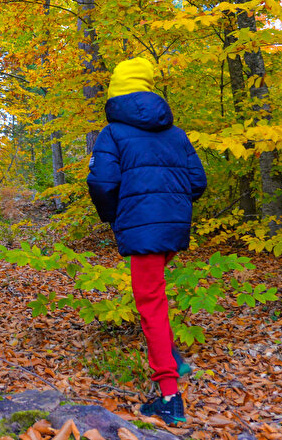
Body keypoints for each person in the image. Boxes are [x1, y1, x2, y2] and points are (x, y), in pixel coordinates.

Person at [86, 57, 207, 426]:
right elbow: (198, 182)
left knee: (150, 303)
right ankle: (174, 358)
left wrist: (116, 215)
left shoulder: (113, 134)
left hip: (142, 229)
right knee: (155, 296)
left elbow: (102, 183)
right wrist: (171, 206)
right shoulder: (176, 134)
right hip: (172, 229)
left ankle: (169, 397)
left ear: (115, 94)